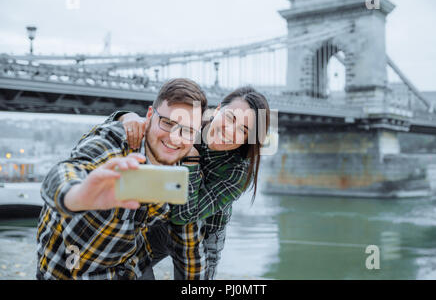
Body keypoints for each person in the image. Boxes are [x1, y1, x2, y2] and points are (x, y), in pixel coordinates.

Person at [36, 78, 208, 280]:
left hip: (126, 267)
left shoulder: (180, 173)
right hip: (66, 270)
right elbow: (64, 172)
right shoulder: (117, 141)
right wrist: (78, 196)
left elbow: (189, 243)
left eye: (187, 130)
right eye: (168, 123)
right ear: (150, 115)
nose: (174, 138)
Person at [117, 86, 271, 279]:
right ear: (217, 110)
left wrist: (191, 160)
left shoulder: (237, 172)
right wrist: (127, 117)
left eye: (243, 129)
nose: (230, 130)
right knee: (126, 267)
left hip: (206, 234)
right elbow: (155, 125)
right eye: (230, 117)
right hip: (162, 219)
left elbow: (185, 215)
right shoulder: (193, 123)